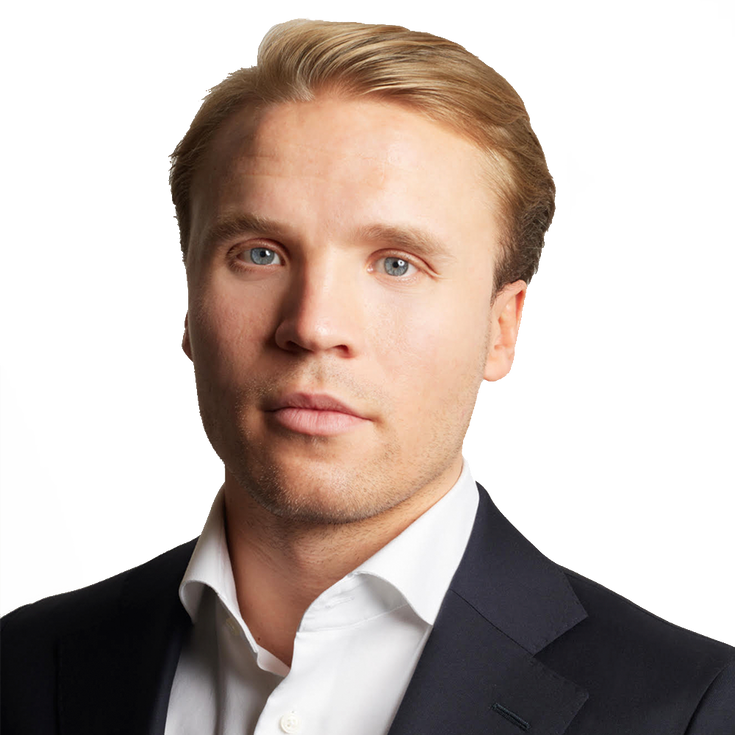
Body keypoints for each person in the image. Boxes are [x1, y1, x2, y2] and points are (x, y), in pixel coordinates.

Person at [1, 16, 733, 735]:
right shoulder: (20, 669)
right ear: (188, 304)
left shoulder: (690, 709)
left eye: (396, 264)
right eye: (260, 253)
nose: (314, 325)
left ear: (502, 328)